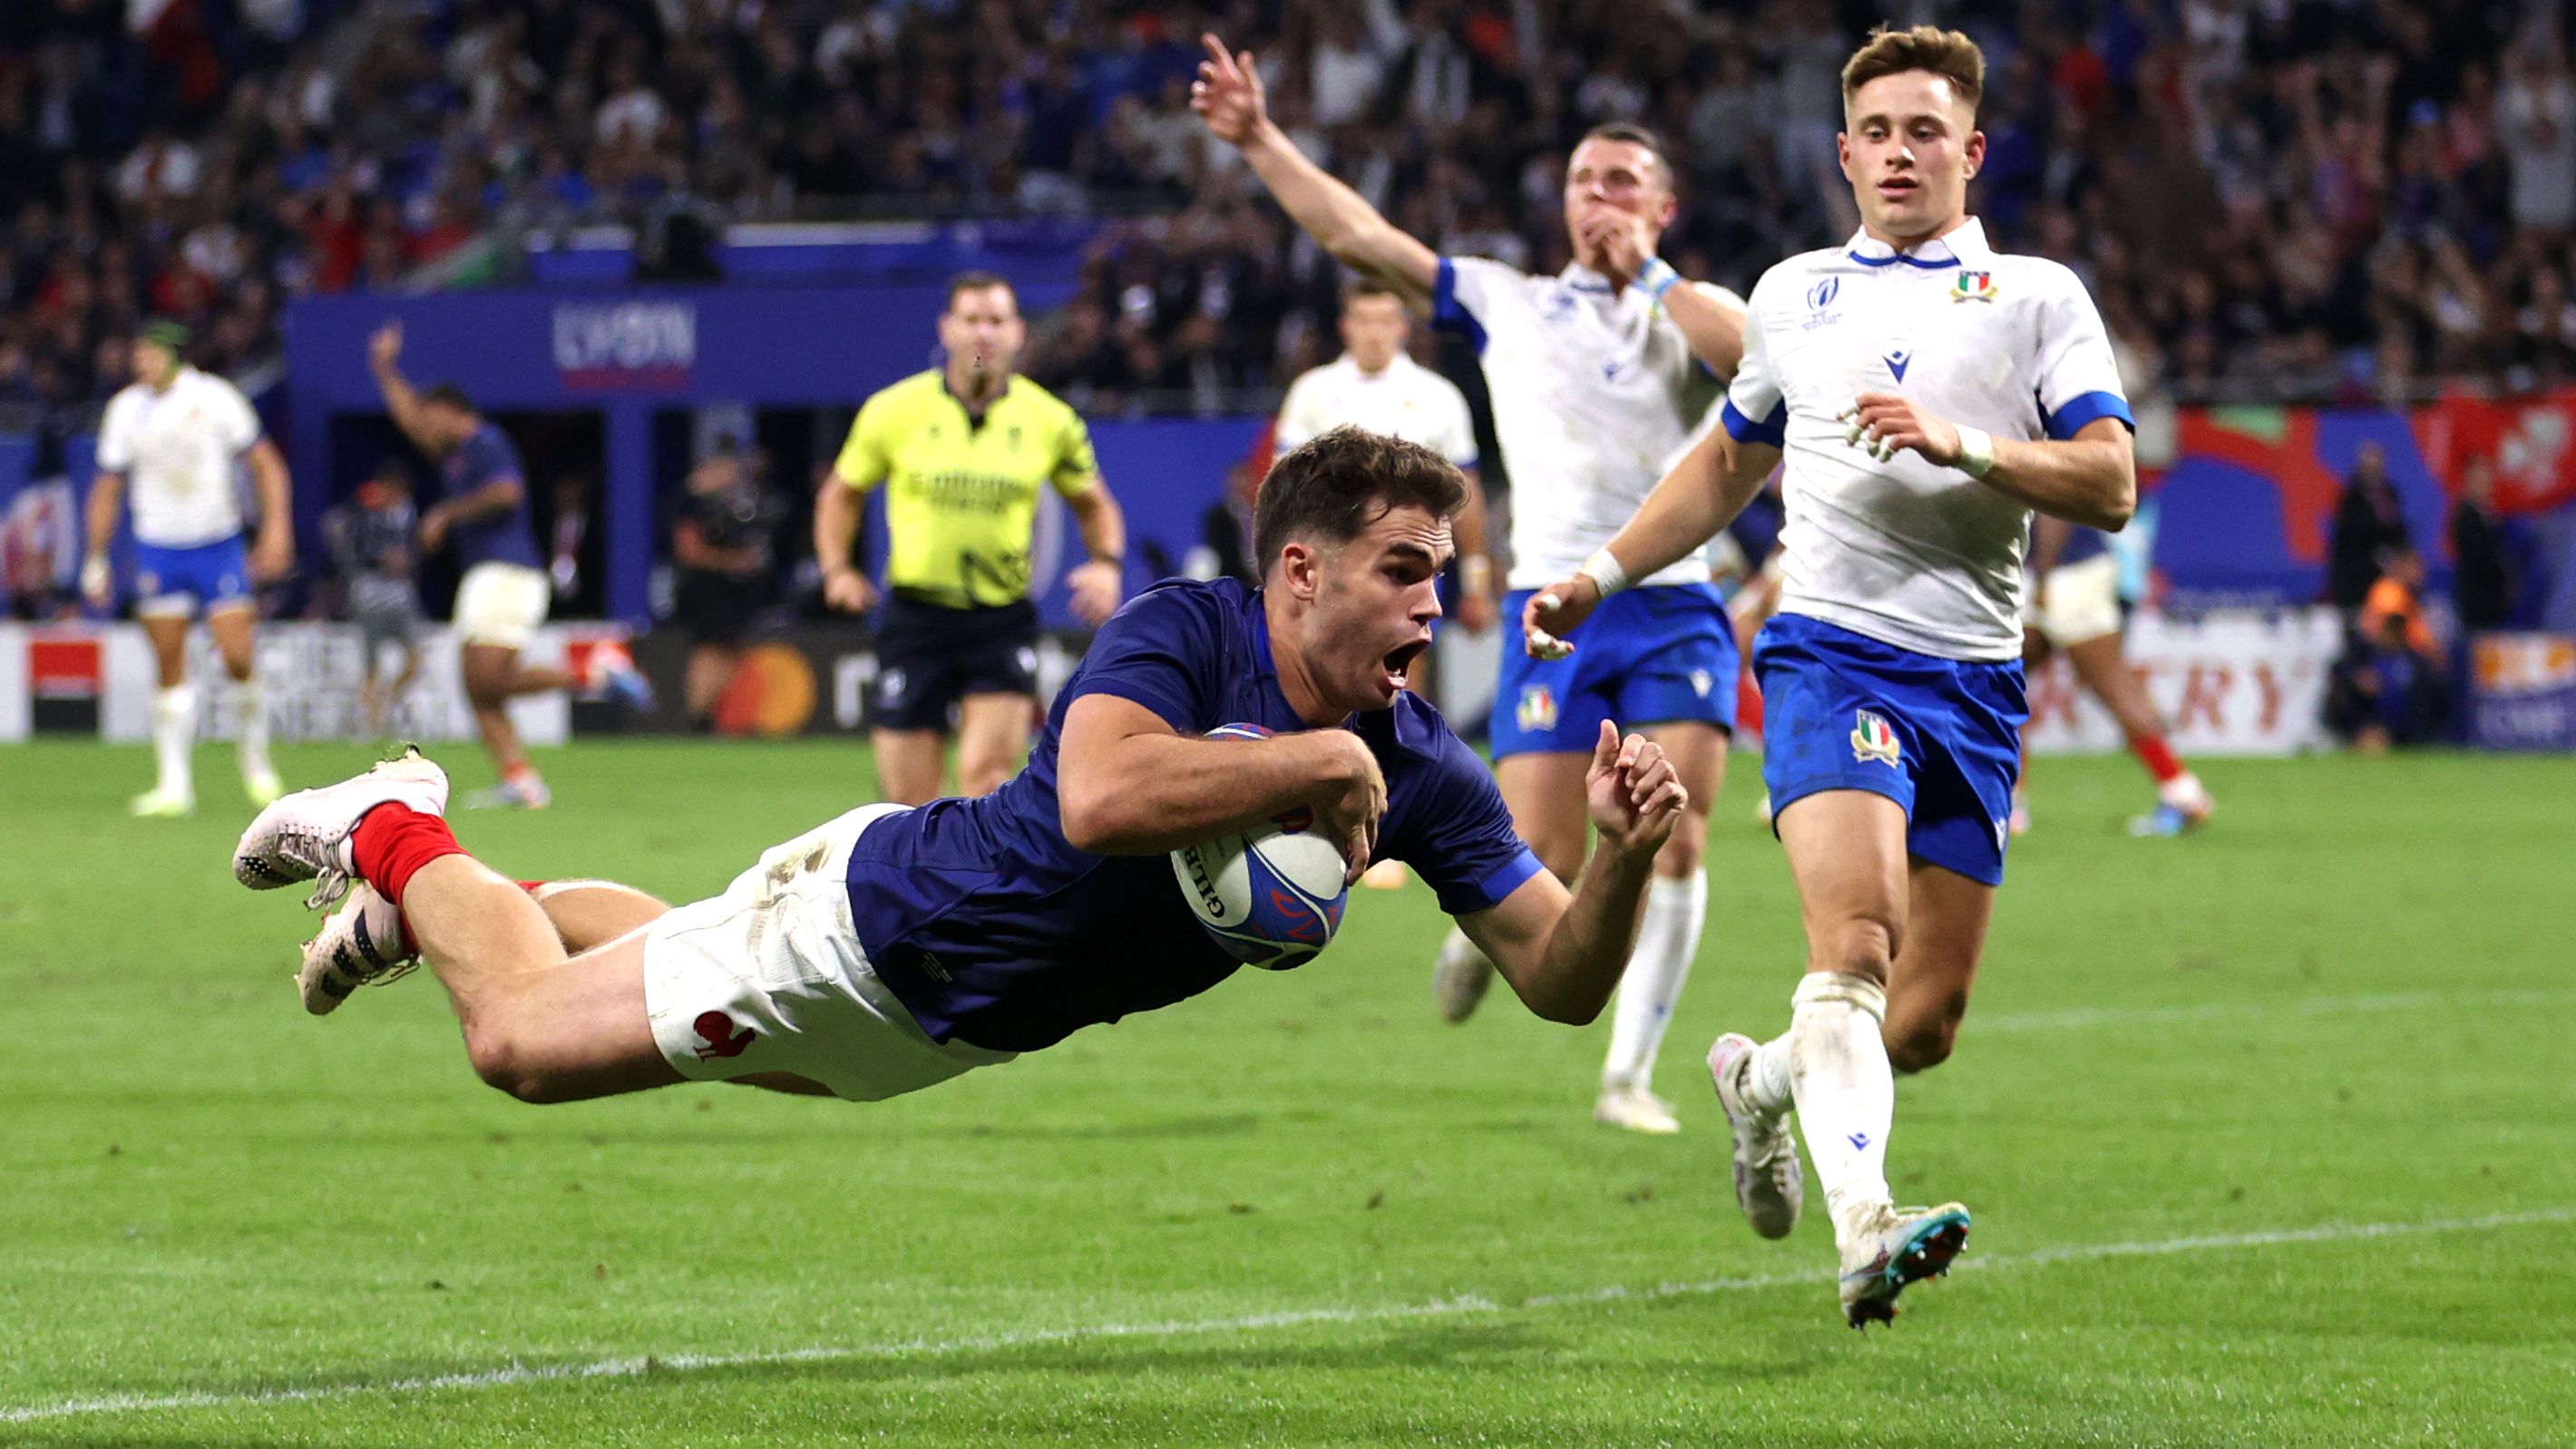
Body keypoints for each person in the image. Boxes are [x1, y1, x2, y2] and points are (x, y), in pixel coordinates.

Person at [233, 428, 1692, 1127]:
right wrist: (1310, 764)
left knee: (666, 944)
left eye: (1442, 575)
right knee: (524, 1051)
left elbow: (1560, 980)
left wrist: (1619, 855)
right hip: (876, 936)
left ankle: (430, 909)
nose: (1436, 607)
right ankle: (398, 833)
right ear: (1300, 571)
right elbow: (1099, 807)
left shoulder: (1423, 765)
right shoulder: (1184, 631)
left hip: (950, 1029)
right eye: (1404, 572)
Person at [1524, 25, 2138, 1327]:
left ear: (1971, 152)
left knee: (1922, 1022)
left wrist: (1965, 444)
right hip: (1829, 656)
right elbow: (1726, 463)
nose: (1900, 151)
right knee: (1853, 946)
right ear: (1842, 153)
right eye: (1878, 131)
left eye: (1927, 131)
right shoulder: (1794, 293)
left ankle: (1757, 1086)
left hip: (1972, 682)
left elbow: (2111, 481)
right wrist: (1601, 572)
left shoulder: (2038, 297)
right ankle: (1867, 1226)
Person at [1193, 34, 1749, 1135]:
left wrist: (1646, 269)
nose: (1599, 197)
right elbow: (1360, 234)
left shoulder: (1682, 308)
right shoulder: (1510, 301)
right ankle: (1480, 934)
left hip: (1673, 596)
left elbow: (1753, 366)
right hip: (1555, 602)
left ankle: (1627, 1073)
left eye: (1624, 182)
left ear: (1663, 206)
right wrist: (1259, 136)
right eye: (1585, 180)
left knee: (1672, 835)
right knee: (1537, 849)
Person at [815, 271, 1128, 805]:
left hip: (1000, 619)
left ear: (1018, 334)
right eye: (972, 320)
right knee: (905, 801)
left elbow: (1094, 501)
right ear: (947, 330)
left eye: (997, 321)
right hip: (916, 616)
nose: (984, 334)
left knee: (986, 780)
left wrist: (1106, 563)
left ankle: (977, 889)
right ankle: (918, 883)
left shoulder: (1049, 420)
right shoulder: (895, 410)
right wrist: (836, 570)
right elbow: (840, 494)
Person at [367, 320, 648, 808]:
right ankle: (520, 779)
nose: (422, 428)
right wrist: (384, 366)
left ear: (451, 412)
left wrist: (446, 512)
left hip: (507, 571)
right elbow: (411, 419)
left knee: (488, 681)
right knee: (479, 688)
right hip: (491, 575)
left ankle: (596, 672)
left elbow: (507, 492)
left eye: (430, 418)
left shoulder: (486, 442)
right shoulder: (456, 451)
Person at [81, 320, 293, 816]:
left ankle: (255, 761)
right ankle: (174, 785)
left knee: (238, 655)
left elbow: (266, 464)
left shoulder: (216, 397)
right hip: (158, 547)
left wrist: (276, 528)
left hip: (216, 544)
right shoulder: (126, 410)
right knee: (169, 664)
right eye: (138, 355)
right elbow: (108, 487)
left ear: (174, 354)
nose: (142, 363)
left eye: (151, 353)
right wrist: (95, 559)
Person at [1275, 277, 1496, 720]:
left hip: (1413, 560)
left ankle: (1404, 771)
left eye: (1385, 320)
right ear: (1346, 326)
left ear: (1403, 327)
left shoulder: (1438, 397)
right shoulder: (1312, 393)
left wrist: (1477, 583)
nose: (1374, 331)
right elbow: (1285, 490)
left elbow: (1466, 496)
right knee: (1320, 667)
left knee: (1408, 662)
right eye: (1364, 320)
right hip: (1332, 558)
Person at [2020, 514, 2214, 837]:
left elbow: (2053, 508)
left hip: (2061, 574)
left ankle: (2183, 794)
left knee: (2111, 685)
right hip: (2071, 570)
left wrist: (2042, 577)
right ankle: (2007, 804)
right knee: (1998, 682)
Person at [672, 438, 785, 731]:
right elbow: (689, 551)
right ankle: (696, 718)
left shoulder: (727, 503)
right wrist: (732, 561)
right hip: (705, 589)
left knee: (732, 651)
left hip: (729, 591)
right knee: (710, 652)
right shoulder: (692, 501)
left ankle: (709, 716)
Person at [322, 459, 426, 738]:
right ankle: (371, 723)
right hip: (369, 596)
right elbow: (347, 550)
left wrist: (409, 562)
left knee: (415, 659)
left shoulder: (408, 516)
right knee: (371, 663)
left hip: (401, 597)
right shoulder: (361, 514)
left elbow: (417, 553)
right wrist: (379, 559)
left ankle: (386, 699)